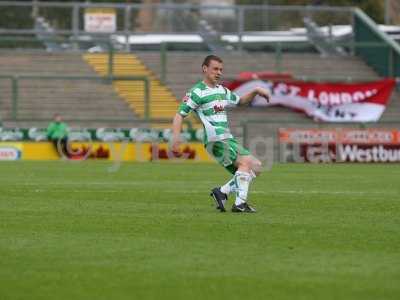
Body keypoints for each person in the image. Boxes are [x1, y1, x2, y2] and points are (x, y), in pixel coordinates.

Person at [171, 55, 270, 213]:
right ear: (205, 69)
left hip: (227, 138)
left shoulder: (222, 90)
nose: (219, 72)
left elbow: (241, 101)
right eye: (215, 69)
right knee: (245, 164)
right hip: (215, 139)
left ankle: (222, 192)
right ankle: (240, 204)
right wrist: (176, 139)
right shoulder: (196, 92)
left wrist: (256, 91)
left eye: (221, 70)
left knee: (256, 167)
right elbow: (179, 115)